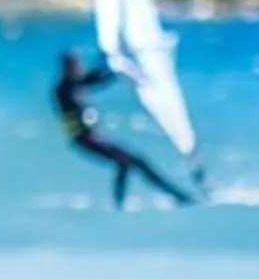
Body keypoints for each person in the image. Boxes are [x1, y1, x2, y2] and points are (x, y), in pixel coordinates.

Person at [53, 49, 193, 209]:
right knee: (131, 161)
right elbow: (88, 83)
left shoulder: (76, 83)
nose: (78, 68)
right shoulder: (63, 89)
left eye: (78, 65)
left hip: (93, 137)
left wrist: (109, 62)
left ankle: (122, 203)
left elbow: (98, 79)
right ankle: (174, 196)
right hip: (84, 139)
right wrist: (106, 67)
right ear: (67, 68)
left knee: (128, 162)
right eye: (75, 66)